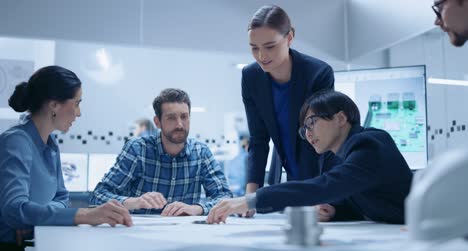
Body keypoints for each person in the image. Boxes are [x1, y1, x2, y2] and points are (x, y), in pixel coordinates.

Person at [207, 90, 413, 225]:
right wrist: (333, 211)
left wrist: (251, 200)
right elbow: (359, 201)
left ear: (341, 118)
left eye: (312, 122)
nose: (308, 133)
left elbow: (323, 186)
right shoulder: (340, 156)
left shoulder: (370, 144)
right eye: (304, 128)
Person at [0, 66, 132, 251]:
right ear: (54, 105)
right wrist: (85, 215)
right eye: (77, 103)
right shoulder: (16, 142)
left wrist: (34, 218)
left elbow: (61, 197)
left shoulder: (50, 145)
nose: (78, 113)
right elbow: (15, 210)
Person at [241, 5, 335, 217]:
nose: (261, 55)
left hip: (321, 175)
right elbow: (258, 140)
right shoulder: (251, 77)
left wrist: (312, 195)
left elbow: (318, 139)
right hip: (290, 176)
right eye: (254, 47)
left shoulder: (318, 74)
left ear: (289, 37)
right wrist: (250, 198)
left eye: (270, 46)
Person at [90, 88, 232, 216]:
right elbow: (98, 196)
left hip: (185, 234)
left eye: (184, 116)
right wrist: (135, 202)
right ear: (157, 122)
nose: (179, 124)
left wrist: (197, 208)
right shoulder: (137, 150)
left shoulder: (201, 153)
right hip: (138, 235)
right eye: (171, 118)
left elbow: (225, 197)